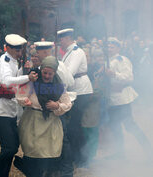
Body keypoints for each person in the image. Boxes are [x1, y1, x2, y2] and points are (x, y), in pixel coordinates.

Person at [15, 56, 72, 177]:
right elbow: (20, 94)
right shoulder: (34, 81)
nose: (46, 76)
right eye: (44, 72)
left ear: (54, 73)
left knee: (50, 153)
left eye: (50, 74)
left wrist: (57, 105)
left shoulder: (58, 85)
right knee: (33, 152)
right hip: (33, 121)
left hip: (51, 123)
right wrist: (26, 101)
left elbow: (67, 103)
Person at [0, 34, 38, 177]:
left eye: (21, 50)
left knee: (13, 145)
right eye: (17, 50)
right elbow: (6, 81)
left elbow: (16, 85)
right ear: (8, 48)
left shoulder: (14, 61)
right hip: (0, 111)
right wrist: (27, 77)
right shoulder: (4, 62)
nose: (20, 53)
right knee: (9, 147)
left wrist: (25, 74)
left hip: (10, 110)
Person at [105, 37, 152, 158]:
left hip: (122, 99)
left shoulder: (122, 60)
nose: (109, 49)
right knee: (114, 126)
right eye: (108, 47)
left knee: (130, 125)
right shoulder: (107, 60)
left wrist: (114, 74)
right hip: (112, 98)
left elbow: (129, 77)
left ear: (118, 48)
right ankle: (120, 153)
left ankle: (149, 151)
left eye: (112, 47)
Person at [58, 28, 93, 174]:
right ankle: (76, 157)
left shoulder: (77, 51)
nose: (60, 42)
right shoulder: (68, 52)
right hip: (74, 91)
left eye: (61, 39)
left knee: (75, 126)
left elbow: (69, 73)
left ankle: (83, 160)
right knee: (73, 127)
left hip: (81, 90)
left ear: (67, 38)